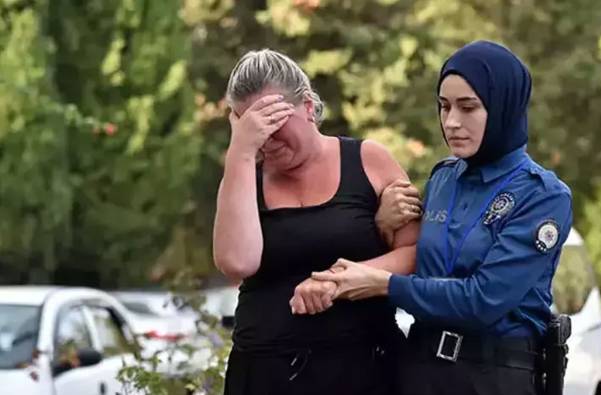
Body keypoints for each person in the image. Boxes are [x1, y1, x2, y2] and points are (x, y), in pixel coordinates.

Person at [312, 40, 574, 395]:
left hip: (493, 376)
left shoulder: (542, 195)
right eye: (444, 106)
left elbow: (483, 301)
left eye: (468, 107)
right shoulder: (443, 179)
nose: (452, 122)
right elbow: (421, 262)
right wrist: (383, 225)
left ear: (503, 108)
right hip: (420, 369)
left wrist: (384, 285)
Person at [212, 49, 420, 395]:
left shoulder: (369, 160)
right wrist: (242, 152)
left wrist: (341, 280)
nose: (268, 139)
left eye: (274, 121)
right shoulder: (244, 176)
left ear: (307, 106)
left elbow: (415, 254)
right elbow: (237, 262)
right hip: (266, 373)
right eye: (253, 127)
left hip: (365, 366)